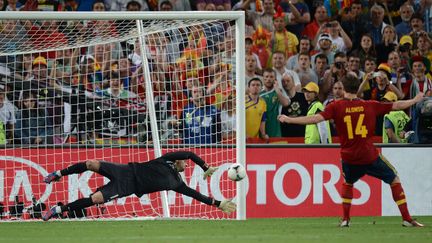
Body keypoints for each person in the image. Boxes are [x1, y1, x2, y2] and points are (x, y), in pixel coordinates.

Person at [278, 73, 425, 227]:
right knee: (394, 179)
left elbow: (315, 119)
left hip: (349, 157)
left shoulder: (336, 106)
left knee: (348, 183)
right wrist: (415, 100)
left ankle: (346, 219)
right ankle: (407, 218)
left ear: (344, 88)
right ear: (358, 88)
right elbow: (396, 105)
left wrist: (290, 119)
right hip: (369, 155)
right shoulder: (370, 105)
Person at [42, 151, 236, 221]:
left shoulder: (177, 183)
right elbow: (190, 154)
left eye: (187, 163)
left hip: (128, 187)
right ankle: (58, 174)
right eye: (184, 162)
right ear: (177, 161)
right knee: (91, 163)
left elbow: (196, 195)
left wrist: (217, 203)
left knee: (95, 199)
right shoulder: (166, 159)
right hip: (125, 170)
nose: (186, 164)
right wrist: (205, 166)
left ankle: (58, 209)